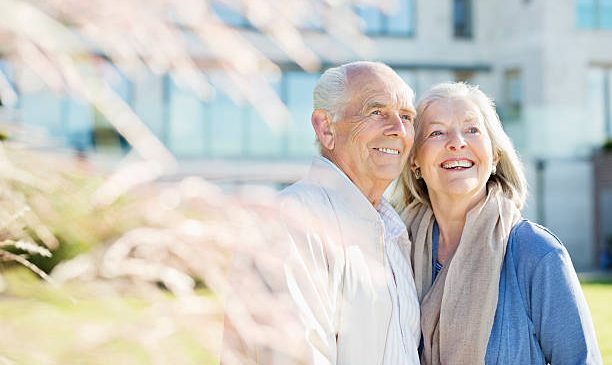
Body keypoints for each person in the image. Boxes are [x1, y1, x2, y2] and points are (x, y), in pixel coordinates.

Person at [395, 82, 602, 365]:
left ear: (495, 155)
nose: (457, 142)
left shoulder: (537, 253)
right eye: (437, 132)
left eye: (472, 129)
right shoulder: (395, 248)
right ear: (415, 161)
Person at [279, 61, 421, 365]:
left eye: (407, 117)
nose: (398, 129)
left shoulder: (394, 231)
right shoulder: (293, 219)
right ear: (326, 128)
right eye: (376, 112)